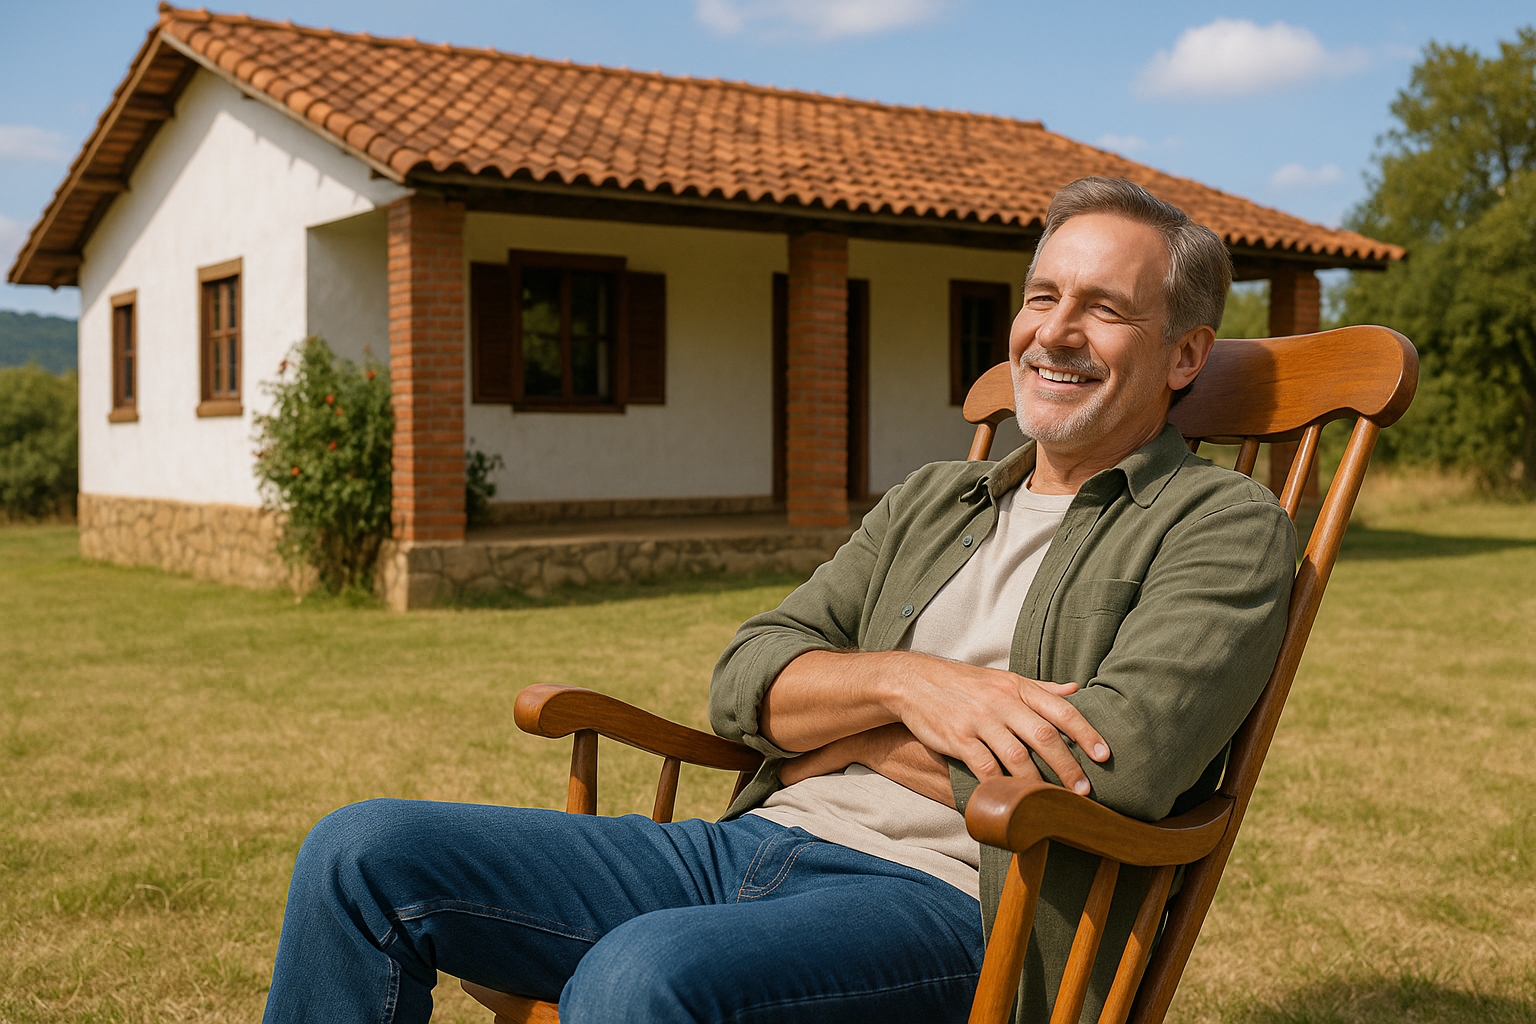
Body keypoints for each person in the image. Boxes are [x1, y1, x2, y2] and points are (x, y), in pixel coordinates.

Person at [261, 177, 1295, 1024]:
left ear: (1186, 355)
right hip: (747, 844)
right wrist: (910, 683)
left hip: (956, 909)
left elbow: (1109, 769)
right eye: (1042, 296)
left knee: (642, 974)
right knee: (361, 854)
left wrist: (832, 736)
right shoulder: (938, 496)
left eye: (1104, 309)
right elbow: (749, 673)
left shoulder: (1222, 527)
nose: (1053, 333)